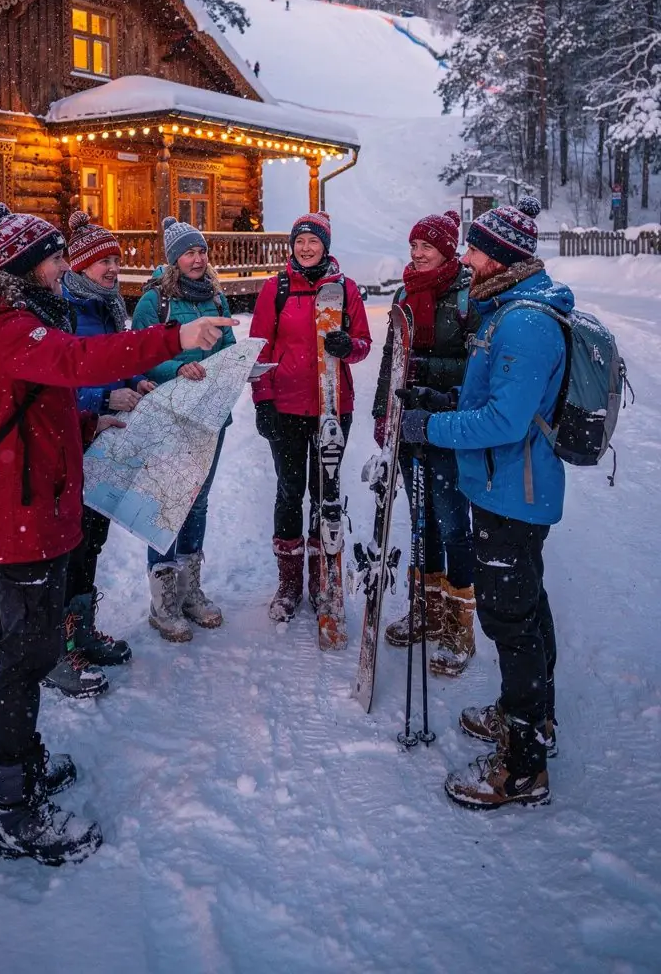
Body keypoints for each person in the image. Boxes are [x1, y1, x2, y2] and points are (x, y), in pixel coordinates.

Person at [0, 202, 234, 864]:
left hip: (27, 502)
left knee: (6, 637)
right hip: (23, 513)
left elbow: (34, 415)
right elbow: (81, 362)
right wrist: (172, 340)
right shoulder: (11, 331)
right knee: (26, 654)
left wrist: (83, 431)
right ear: (25, 268)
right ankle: (14, 810)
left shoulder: (10, 324)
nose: (61, 264)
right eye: (52, 257)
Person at [398, 196, 572, 810]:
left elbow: (503, 420)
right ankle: (530, 717)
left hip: (513, 492)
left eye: (475, 249)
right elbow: (491, 401)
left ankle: (521, 767)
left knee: (510, 622)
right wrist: (437, 402)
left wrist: (430, 427)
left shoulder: (523, 322)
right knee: (527, 608)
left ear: (501, 259)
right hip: (510, 487)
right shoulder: (510, 309)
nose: (466, 258)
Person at [41, 210, 156, 699]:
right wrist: (102, 400)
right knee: (69, 546)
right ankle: (58, 648)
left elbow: (114, 361)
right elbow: (54, 385)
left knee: (93, 539)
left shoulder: (108, 307)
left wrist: (134, 381)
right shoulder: (62, 311)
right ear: (80, 267)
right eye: (103, 262)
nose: (113, 269)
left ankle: (81, 629)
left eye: (116, 259)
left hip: (108, 441)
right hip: (75, 443)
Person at [372, 210, 478, 676]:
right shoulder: (404, 293)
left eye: (426, 248)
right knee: (419, 521)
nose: (416, 254)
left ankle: (458, 626)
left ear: (447, 251)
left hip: (451, 424)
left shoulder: (467, 296)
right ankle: (426, 609)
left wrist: (427, 373)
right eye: (413, 246)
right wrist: (382, 412)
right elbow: (391, 358)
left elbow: (477, 368)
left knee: (452, 521)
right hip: (409, 423)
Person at [251, 211, 371, 620]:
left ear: (326, 246)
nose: (305, 248)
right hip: (285, 408)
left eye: (313, 242)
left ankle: (324, 580)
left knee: (326, 495)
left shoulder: (345, 289)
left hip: (332, 407)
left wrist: (346, 346)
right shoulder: (275, 289)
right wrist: (263, 401)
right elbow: (259, 351)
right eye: (299, 241)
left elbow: (364, 344)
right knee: (289, 493)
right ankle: (288, 585)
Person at [131, 216, 236, 642]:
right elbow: (139, 356)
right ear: (175, 259)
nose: (197, 258)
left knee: (198, 501)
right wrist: (179, 367)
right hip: (171, 413)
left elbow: (227, 348)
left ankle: (191, 591)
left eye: (201, 251)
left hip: (211, 415)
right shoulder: (154, 303)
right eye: (189, 252)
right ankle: (164, 601)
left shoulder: (216, 297)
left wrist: (239, 365)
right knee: (167, 502)